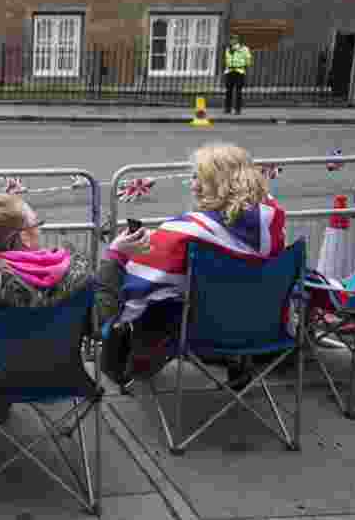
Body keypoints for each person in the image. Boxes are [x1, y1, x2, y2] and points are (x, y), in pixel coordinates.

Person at [0, 193, 147, 423]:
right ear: (24, 236)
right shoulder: (75, 278)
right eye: (37, 224)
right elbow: (101, 320)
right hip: (62, 380)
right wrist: (115, 261)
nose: (40, 229)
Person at [101, 142, 287, 389]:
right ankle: (236, 360)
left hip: (198, 332)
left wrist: (116, 254)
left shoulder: (185, 234)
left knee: (143, 298)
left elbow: (132, 290)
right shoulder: (272, 224)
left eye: (198, 177)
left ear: (217, 183)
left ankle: (129, 367)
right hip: (259, 330)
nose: (192, 185)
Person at [224, 33, 253, 115]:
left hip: (239, 71)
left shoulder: (244, 49)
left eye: (234, 39)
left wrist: (244, 66)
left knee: (238, 91)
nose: (232, 41)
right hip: (229, 71)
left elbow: (248, 59)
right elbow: (226, 59)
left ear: (238, 40)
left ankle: (237, 109)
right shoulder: (228, 49)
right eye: (231, 39)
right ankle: (228, 108)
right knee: (228, 91)